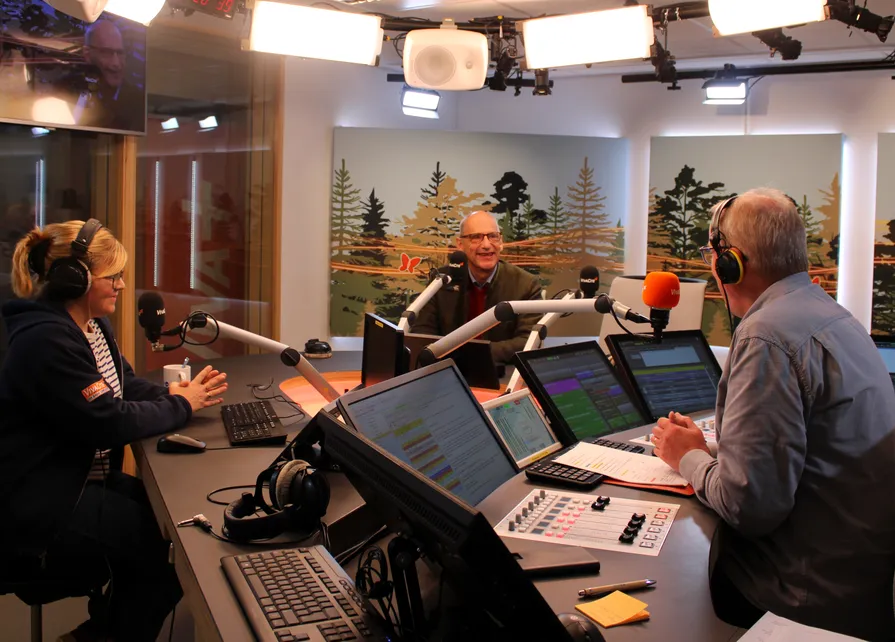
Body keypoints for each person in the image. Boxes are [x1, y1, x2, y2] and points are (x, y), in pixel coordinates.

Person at [650, 188, 895, 640]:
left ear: (731, 264)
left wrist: (687, 458)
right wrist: (709, 452)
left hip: (801, 597)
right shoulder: (836, 316)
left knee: (666, 580)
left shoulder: (766, 337)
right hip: (862, 585)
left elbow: (749, 507)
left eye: (712, 255)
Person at [0, 219, 228, 642]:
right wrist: (181, 405)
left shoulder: (91, 326)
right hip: (42, 504)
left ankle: (101, 630)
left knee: (175, 527)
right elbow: (108, 421)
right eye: (113, 276)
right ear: (75, 279)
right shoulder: (45, 341)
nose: (122, 285)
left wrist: (172, 393)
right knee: (169, 556)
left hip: (78, 483)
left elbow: (123, 386)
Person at [410, 210, 542, 364]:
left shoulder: (525, 285)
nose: (486, 245)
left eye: (493, 236)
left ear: (501, 242)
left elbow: (528, 341)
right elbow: (422, 334)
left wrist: (474, 354)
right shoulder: (441, 281)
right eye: (476, 237)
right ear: (460, 244)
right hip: (447, 369)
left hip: (501, 371)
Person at [75, 20, 144, 132]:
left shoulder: (138, 103)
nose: (116, 63)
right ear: (87, 54)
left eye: (120, 53)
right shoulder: (65, 88)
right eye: (107, 53)